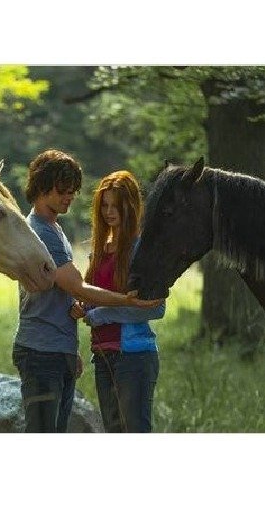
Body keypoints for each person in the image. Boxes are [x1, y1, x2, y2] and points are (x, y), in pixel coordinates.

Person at [12, 150, 162, 433]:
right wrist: (116, 303)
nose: (69, 196)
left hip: (117, 354)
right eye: (63, 190)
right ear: (43, 187)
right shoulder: (45, 234)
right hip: (52, 352)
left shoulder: (57, 230)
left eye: (73, 191)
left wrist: (74, 342)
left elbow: (154, 306)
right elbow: (79, 288)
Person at [70, 170, 164, 432]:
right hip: (102, 355)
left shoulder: (142, 250)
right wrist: (83, 307)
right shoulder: (100, 250)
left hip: (133, 357)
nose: (109, 212)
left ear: (130, 206)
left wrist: (101, 315)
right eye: (104, 206)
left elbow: (157, 307)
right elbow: (95, 298)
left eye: (116, 206)